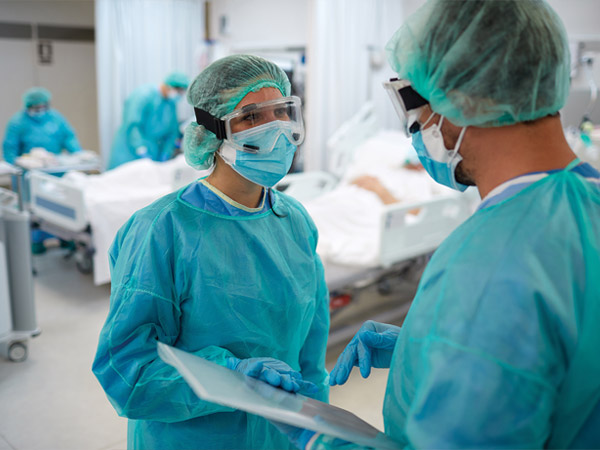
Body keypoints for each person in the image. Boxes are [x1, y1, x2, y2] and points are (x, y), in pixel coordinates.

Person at [276, 1, 600, 449]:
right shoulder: (586, 200)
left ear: (463, 98)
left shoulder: (492, 263)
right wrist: (427, 345)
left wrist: (321, 440)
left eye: (414, 101)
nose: (416, 126)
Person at [92, 54, 330, 450]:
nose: (275, 129)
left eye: (282, 113)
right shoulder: (162, 230)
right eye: (252, 118)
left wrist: (317, 430)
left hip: (280, 437)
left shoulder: (295, 222)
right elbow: (127, 372)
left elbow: (310, 355)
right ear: (211, 132)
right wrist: (232, 376)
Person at [107, 71, 190, 170]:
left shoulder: (170, 104)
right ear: (168, 86)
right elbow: (132, 124)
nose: (179, 95)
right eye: (179, 91)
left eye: (182, 92)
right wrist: (140, 148)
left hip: (152, 153)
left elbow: (172, 132)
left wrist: (166, 152)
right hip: (128, 150)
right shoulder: (143, 95)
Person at [2, 87, 81, 165]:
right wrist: (15, 161)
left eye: (42, 107)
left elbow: (68, 137)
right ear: (28, 106)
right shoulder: (18, 121)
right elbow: (10, 146)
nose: (39, 110)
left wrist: (77, 153)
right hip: (29, 168)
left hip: (54, 165)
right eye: (36, 108)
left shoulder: (55, 117)